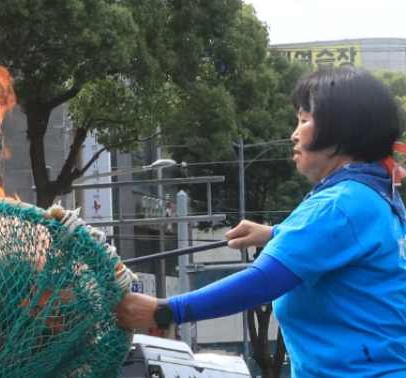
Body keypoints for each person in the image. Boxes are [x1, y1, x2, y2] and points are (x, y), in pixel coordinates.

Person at [113, 67, 406, 377]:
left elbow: (262, 281)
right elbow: (341, 243)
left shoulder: (339, 204)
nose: (294, 133)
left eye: (304, 120)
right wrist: (274, 233)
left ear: (342, 131)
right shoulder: (375, 196)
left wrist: (165, 311)